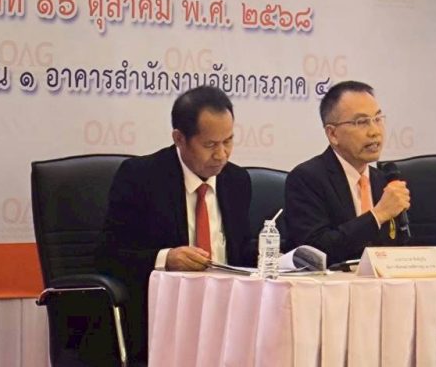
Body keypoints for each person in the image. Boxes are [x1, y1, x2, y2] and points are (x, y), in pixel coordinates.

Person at [96, 86, 255, 363]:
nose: (222, 155)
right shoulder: (141, 178)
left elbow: (241, 252)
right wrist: (165, 258)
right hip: (163, 316)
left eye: (228, 141)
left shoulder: (237, 181)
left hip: (226, 315)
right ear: (179, 139)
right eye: (210, 145)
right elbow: (108, 257)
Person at [284, 80, 410, 264]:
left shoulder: (384, 181)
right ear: (333, 134)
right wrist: (377, 215)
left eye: (377, 119)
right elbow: (314, 252)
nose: (375, 131)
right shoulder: (307, 179)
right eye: (362, 122)